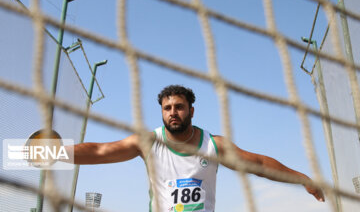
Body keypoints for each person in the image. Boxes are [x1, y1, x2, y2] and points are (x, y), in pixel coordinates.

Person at [71, 85, 325, 212]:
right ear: (161, 112)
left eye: (179, 107)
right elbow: (98, 150)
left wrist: (302, 179)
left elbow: (257, 164)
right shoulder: (147, 142)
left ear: (191, 111)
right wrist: (39, 154)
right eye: (167, 108)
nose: (173, 113)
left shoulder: (214, 145)